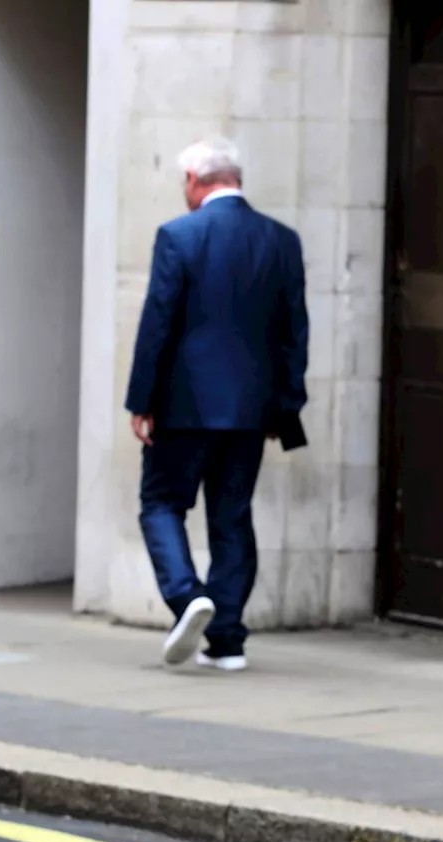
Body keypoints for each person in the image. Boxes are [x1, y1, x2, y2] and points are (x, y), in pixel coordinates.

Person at [124, 136, 309, 672]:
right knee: (232, 517)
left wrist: (143, 401)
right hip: (251, 411)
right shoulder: (281, 240)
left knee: (161, 504)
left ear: (194, 181)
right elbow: (294, 332)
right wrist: (285, 406)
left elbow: (158, 323)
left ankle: (187, 597)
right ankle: (226, 640)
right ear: (237, 178)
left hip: (185, 406)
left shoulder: (179, 236)